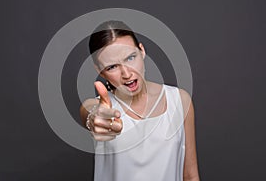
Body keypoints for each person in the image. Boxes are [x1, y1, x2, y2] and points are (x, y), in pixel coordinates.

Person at [80, 20, 200, 181]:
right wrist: (93, 117)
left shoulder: (179, 100)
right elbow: (89, 110)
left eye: (130, 57)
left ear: (142, 51)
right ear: (100, 71)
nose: (126, 73)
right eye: (112, 67)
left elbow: (190, 176)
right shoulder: (104, 110)